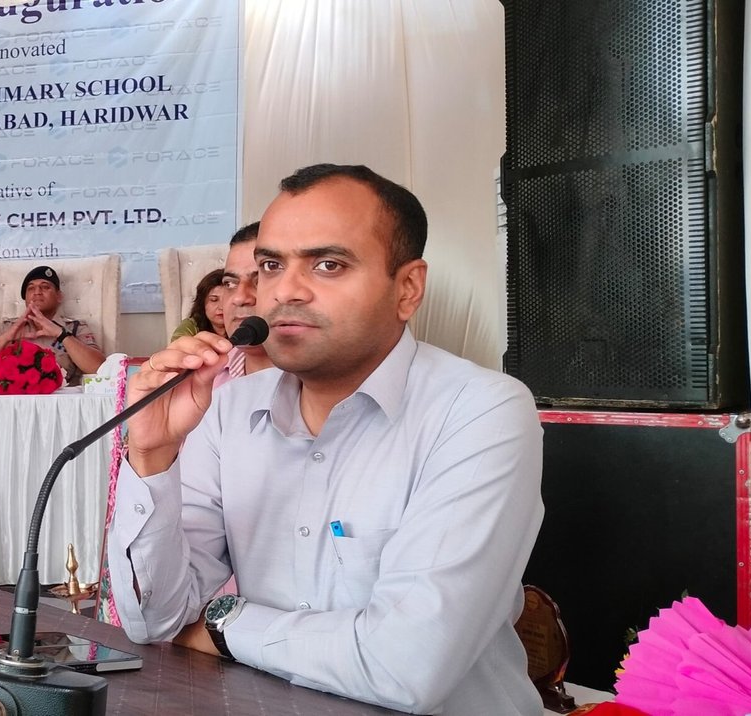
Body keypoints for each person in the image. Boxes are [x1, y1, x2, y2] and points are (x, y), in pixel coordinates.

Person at [108, 164, 544, 714]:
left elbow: (404, 665)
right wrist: (152, 455)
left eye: (328, 264)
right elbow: (154, 619)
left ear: (407, 289)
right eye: (271, 265)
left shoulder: (479, 411)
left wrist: (223, 622)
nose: (285, 291)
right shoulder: (229, 409)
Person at [0, 265, 104, 385]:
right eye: (31, 288)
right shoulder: (7, 327)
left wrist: (61, 334)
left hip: (61, 400)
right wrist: (5, 338)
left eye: (45, 287)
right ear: (25, 298)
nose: (37, 292)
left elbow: (99, 368)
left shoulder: (75, 328)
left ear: (59, 296)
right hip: (12, 400)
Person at [215, 221, 272, 388]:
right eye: (230, 283)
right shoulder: (205, 374)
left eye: (259, 281)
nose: (239, 298)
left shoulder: (323, 386)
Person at [169, 269, 229, 342]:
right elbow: (176, 345)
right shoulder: (191, 326)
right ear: (202, 303)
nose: (221, 307)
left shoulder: (241, 326)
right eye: (214, 300)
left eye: (226, 300)